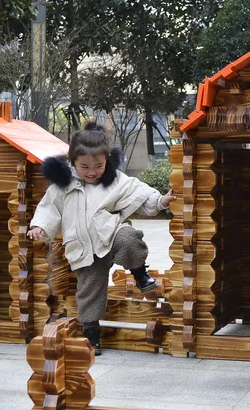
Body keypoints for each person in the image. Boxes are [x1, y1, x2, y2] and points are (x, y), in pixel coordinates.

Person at [28, 121, 175, 355]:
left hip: (111, 236)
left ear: (107, 160)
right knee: (89, 291)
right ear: (72, 161)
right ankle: (91, 333)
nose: (92, 172)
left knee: (129, 238)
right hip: (84, 249)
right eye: (84, 166)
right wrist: (39, 227)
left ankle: (139, 273)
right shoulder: (62, 186)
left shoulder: (114, 180)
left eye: (98, 166)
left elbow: (139, 191)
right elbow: (49, 209)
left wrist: (160, 201)